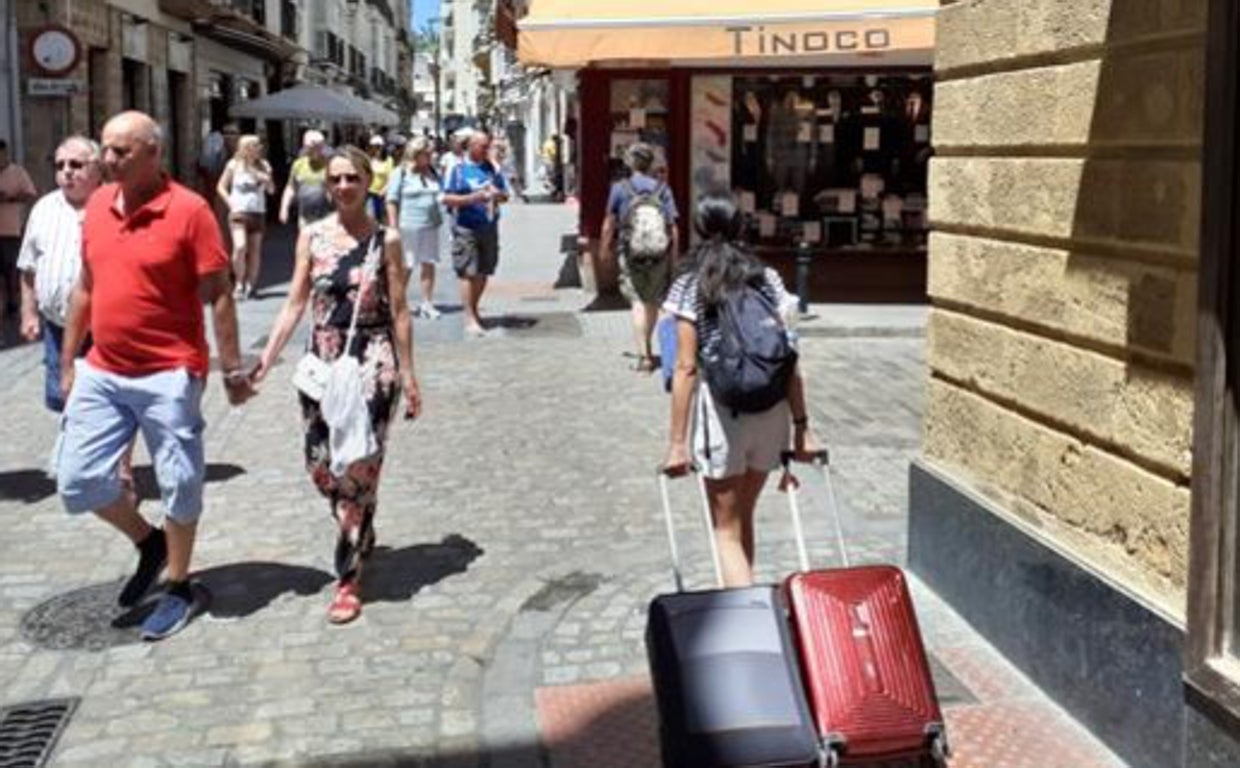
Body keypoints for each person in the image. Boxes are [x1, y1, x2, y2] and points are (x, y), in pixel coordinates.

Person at [56, 111, 254, 640]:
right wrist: (69, 361)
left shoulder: (189, 211)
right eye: (105, 148)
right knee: (78, 480)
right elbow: (86, 286)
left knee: (181, 482)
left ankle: (179, 584)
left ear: (152, 154)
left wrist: (232, 369)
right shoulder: (98, 205)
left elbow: (218, 295)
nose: (107, 160)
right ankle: (149, 544)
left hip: (169, 371)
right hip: (104, 369)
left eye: (121, 151)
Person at [252, 145, 421, 624]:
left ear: (369, 182)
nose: (344, 187)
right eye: (336, 179)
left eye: (353, 178)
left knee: (360, 464)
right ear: (326, 184)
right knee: (322, 465)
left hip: (372, 362)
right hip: (321, 363)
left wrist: (408, 375)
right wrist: (267, 357)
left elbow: (401, 311)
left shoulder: (385, 240)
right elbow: (294, 303)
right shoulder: (312, 236)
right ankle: (358, 525)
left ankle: (348, 577)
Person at [662, 194, 819, 588]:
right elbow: (791, 356)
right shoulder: (768, 280)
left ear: (698, 230)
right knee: (743, 515)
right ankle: (747, 598)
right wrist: (802, 428)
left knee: (725, 529)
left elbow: (685, 367)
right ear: (739, 227)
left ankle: (747, 623)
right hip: (772, 413)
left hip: (723, 414)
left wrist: (677, 443)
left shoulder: (690, 285)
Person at [17, 136, 104, 412]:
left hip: (103, 328)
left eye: (76, 164)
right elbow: (28, 266)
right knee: (61, 397)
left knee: (104, 401)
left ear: (97, 169)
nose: (66, 171)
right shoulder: (43, 208)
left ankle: (106, 454)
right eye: (60, 165)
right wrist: (29, 313)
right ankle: (74, 449)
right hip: (57, 326)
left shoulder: (114, 205)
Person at [601, 143, 679, 373]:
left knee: (637, 301)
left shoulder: (620, 188)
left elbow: (609, 223)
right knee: (652, 300)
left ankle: (644, 355)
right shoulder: (662, 189)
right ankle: (647, 343)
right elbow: (673, 226)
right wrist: (674, 257)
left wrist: (604, 249)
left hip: (631, 251)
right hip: (658, 252)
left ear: (630, 163)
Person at [442, 131, 510, 337]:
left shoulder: (491, 169)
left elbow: (505, 194)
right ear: (470, 147)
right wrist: (472, 198)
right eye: (482, 146)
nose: (486, 150)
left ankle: (474, 308)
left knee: (484, 270)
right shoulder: (459, 170)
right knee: (468, 272)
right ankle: (469, 317)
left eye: (487, 146)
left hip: (489, 225)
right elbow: (446, 198)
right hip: (466, 226)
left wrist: (498, 195)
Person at [386, 136, 444, 320]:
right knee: (406, 265)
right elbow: (391, 200)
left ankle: (427, 303)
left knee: (428, 262)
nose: (431, 156)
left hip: (431, 224)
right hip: (408, 225)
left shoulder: (433, 172)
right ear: (416, 154)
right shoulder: (401, 172)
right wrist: (393, 226)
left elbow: (441, 194)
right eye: (428, 153)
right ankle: (397, 303)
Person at [215, 134, 275, 300]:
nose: (259, 148)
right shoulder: (233, 165)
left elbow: (271, 191)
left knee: (255, 251)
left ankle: (251, 284)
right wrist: (230, 203)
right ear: (246, 148)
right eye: (256, 145)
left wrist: (267, 180)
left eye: (259, 145)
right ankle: (239, 282)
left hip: (258, 212)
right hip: (239, 212)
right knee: (240, 247)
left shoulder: (264, 165)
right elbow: (220, 186)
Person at [0, 138, 39, 318]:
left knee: (11, 269)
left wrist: (13, 198)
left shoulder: (17, 172)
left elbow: (30, 194)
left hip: (11, 229)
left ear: (6, 153)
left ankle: (12, 304)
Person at [279, 130, 333, 229]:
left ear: (323, 146)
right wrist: (284, 208)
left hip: (327, 216)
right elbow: (291, 187)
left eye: (318, 147)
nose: (315, 151)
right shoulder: (298, 164)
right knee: (304, 243)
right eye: (311, 148)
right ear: (305, 147)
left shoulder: (331, 164)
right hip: (304, 216)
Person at [197, 123, 240, 240]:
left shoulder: (241, 150)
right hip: (219, 191)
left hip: (238, 194)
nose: (230, 136)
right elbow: (206, 168)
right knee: (220, 222)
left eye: (233, 133)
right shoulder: (215, 147)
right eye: (227, 133)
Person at [367, 135, 394, 220]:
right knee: (370, 216)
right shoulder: (368, 159)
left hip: (381, 194)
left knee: (380, 217)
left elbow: (391, 178)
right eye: (374, 147)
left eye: (378, 146)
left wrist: (384, 190)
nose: (376, 149)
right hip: (369, 192)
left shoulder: (389, 160)